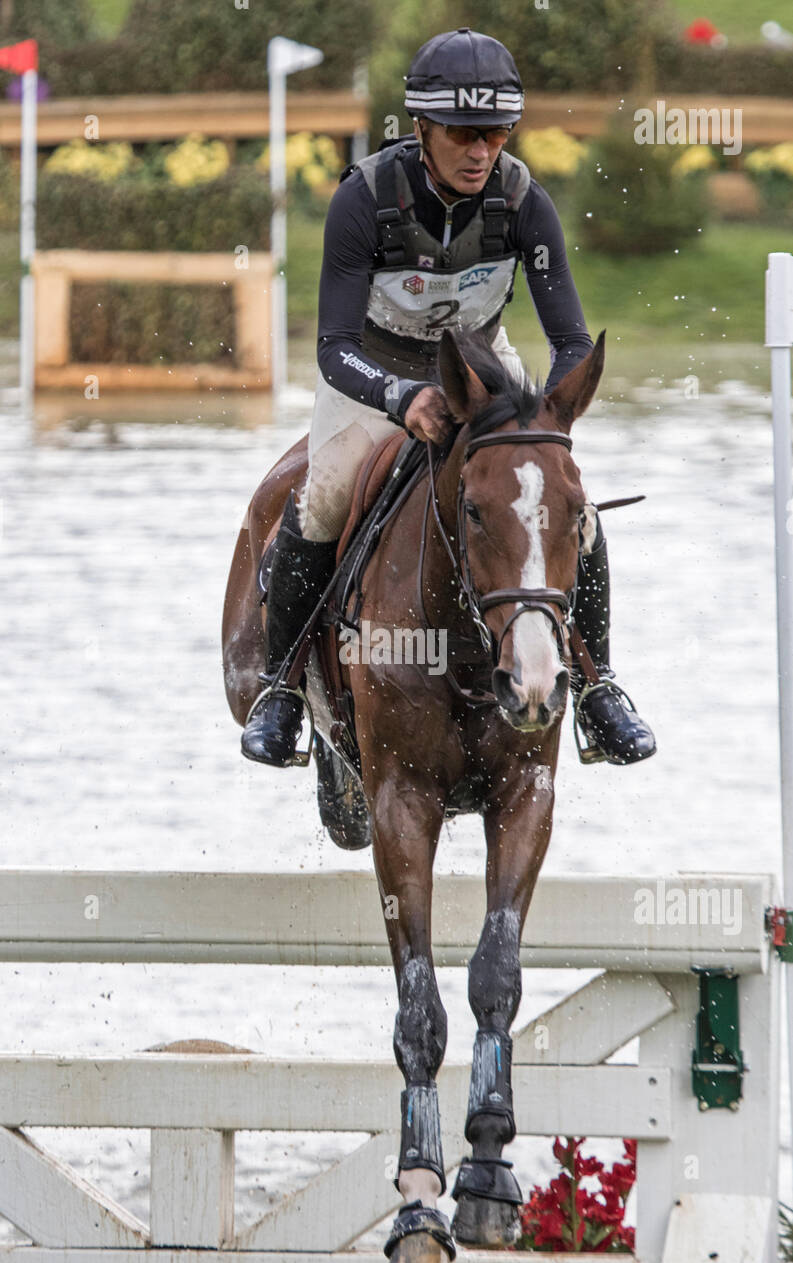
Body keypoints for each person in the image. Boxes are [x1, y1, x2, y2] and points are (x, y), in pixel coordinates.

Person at [241, 27, 656, 769]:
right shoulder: (363, 200)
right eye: (464, 134)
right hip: (373, 372)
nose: (480, 152)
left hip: (481, 371)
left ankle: (598, 691)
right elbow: (331, 348)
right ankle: (280, 691)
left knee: (572, 514)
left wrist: (547, 414)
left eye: (495, 134)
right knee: (326, 497)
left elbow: (568, 340)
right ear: (422, 128)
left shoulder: (524, 200)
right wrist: (402, 400)